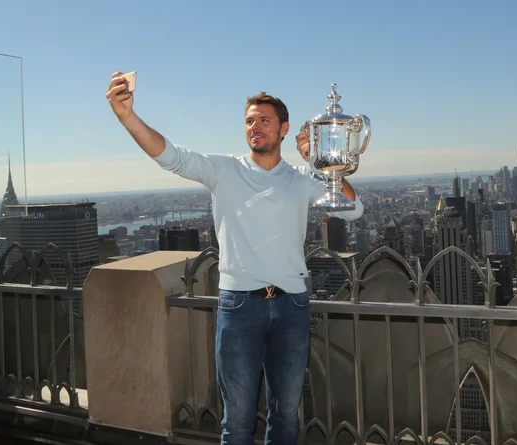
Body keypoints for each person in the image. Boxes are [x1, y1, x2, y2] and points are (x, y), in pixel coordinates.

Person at [106, 72, 364, 445]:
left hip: (293, 306)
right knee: (238, 421)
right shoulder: (223, 170)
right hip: (239, 307)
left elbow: (353, 210)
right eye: (249, 121)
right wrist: (126, 116)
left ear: (284, 129)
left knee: (286, 417)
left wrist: (317, 160)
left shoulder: (300, 178)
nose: (255, 127)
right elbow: (170, 156)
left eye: (264, 120)